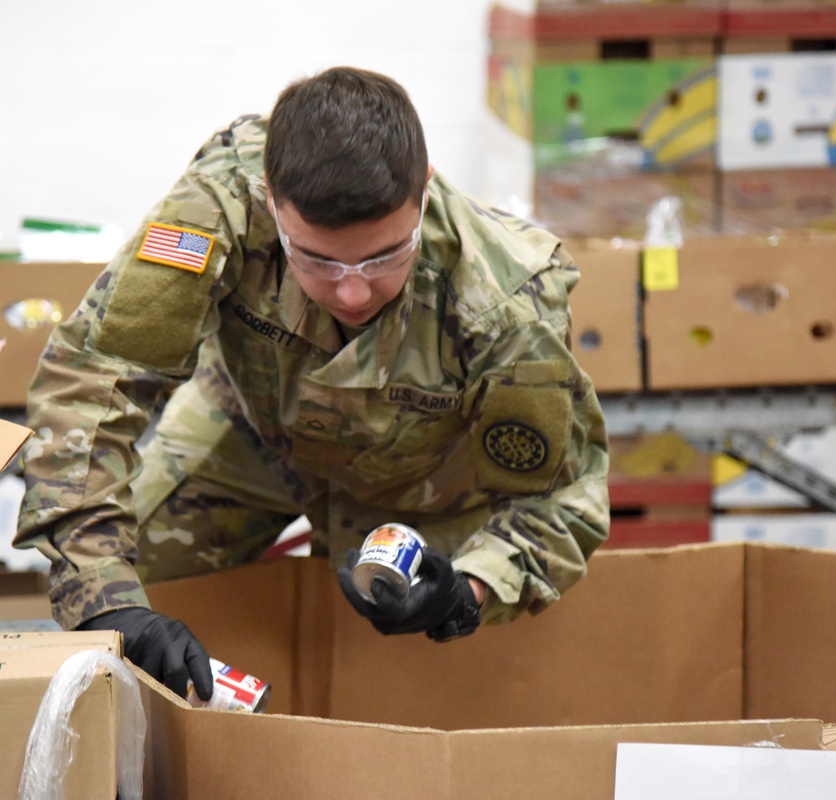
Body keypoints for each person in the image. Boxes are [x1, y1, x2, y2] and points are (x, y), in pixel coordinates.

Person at [14, 67, 610, 701]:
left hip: (418, 481)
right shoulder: (221, 202)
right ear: (271, 200)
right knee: (123, 614)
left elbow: (564, 500)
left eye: (384, 256)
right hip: (244, 428)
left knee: (416, 688)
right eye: (318, 260)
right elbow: (95, 375)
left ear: (425, 189)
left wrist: (470, 589)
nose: (352, 291)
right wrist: (105, 596)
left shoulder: (507, 300)